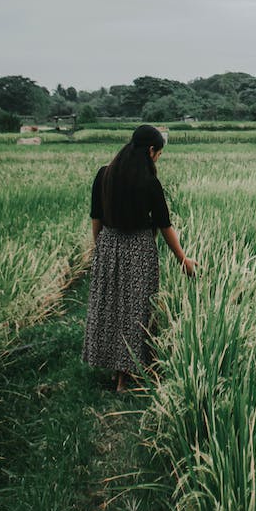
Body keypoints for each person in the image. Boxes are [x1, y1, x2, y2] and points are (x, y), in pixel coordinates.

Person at [82, 124, 196, 392]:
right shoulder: (149, 183)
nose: (158, 159)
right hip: (138, 250)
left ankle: (115, 369)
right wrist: (184, 260)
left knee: (111, 308)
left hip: (109, 245)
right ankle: (126, 376)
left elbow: (96, 216)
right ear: (150, 150)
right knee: (134, 311)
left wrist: (100, 249)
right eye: (158, 154)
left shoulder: (104, 174)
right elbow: (165, 226)